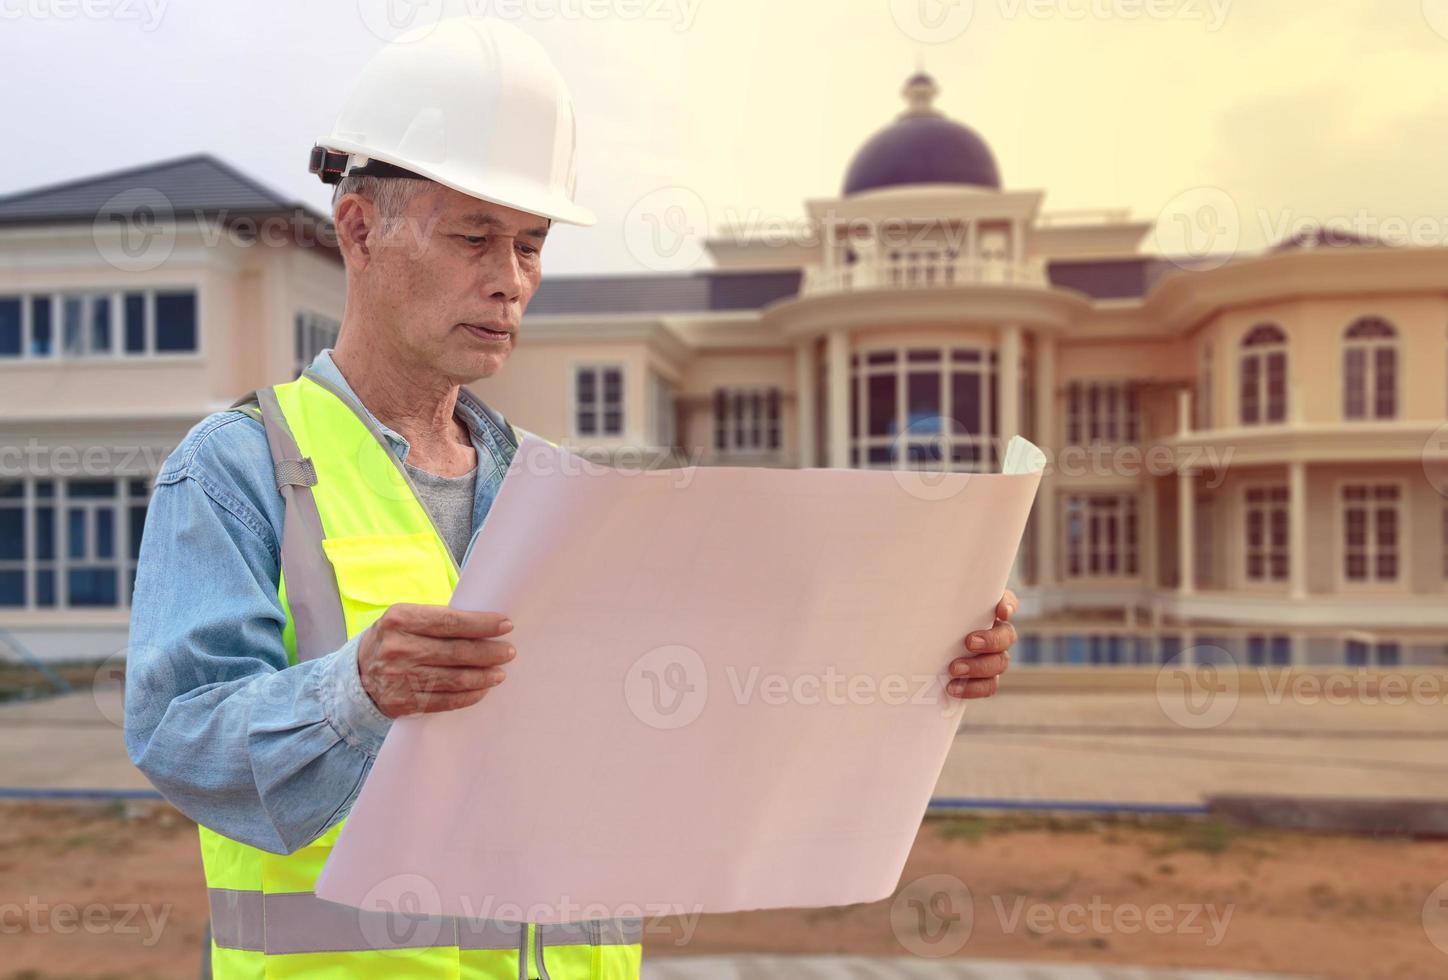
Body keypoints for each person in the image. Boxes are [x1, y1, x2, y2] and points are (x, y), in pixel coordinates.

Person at [125, 15, 1018, 979]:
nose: (510, 282)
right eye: (475, 238)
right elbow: (179, 736)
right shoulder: (243, 468)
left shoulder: (554, 491)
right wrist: (358, 690)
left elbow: (688, 716)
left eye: (530, 246)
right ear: (360, 229)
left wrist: (910, 660)